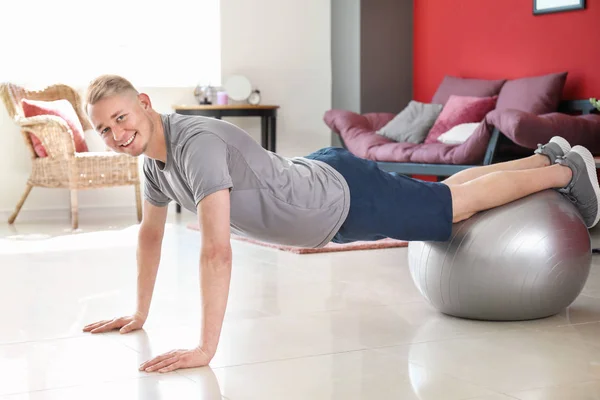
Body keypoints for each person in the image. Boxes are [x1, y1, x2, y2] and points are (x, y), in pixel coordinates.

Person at [82, 74, 600, 373]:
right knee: (450, 193)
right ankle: (543, 158)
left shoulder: (195, 146)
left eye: (121, 118)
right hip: (326, 184)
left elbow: (216, 250)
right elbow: (150, 237)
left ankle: (566, 169)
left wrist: (205, 349)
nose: (116, 133)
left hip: (343, 200)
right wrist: (139, 312)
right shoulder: (155, 163)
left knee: (452, 205)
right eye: (104, 129)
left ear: (144, 105)